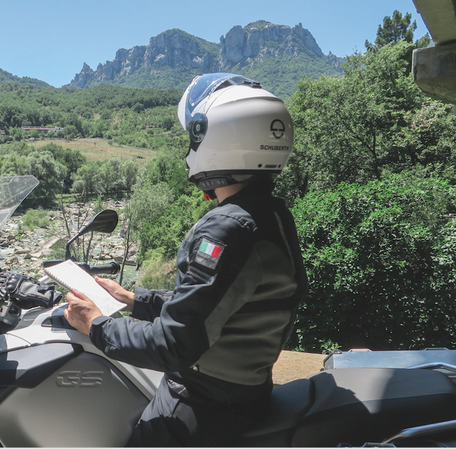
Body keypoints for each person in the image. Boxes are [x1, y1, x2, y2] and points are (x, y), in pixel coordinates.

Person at [64, 73, 308, 447]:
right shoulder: (269, 214)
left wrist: (96, 325)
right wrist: (135, 299)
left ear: (216, 139)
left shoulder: (228, 227)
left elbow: (175, 344)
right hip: (242, 395)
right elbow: (219, 304)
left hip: (203, 404)